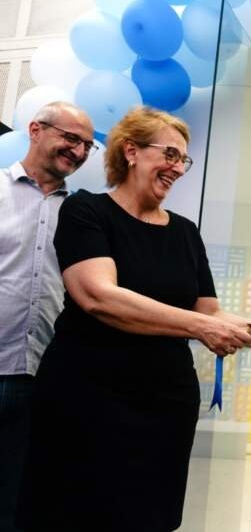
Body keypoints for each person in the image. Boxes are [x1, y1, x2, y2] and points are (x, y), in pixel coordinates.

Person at [15, 106, 251, 532]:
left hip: (165, 403)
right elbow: (98, 296)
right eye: (170, 154)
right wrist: (200, 327)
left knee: (150, 515)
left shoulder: (185, 231)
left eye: (183, 159)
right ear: (131, 151)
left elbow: (209, 311)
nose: (177, 168)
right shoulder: (86, 211)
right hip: (86, 397)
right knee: (73, 514)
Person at [0, 102, 94, 532]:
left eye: (87, 146)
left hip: (42, 380)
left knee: (19, 503)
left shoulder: (82, 217)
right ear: (35, 129)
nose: (77, 151)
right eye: (70, 138)